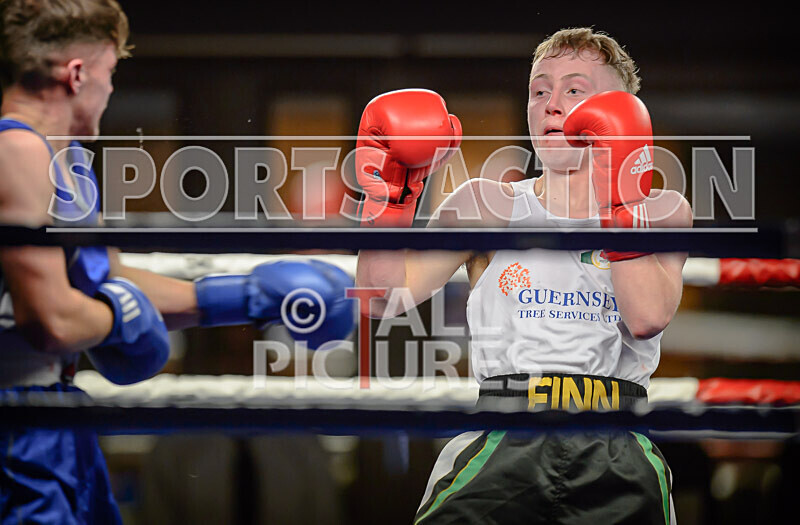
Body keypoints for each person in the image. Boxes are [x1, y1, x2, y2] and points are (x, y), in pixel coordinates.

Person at [0, 1, 355, 522]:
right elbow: (51, 319)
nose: (111, 90)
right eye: (109, 73)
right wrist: (123, 317)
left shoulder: (67, 159)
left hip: (53, 412)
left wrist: (248, 293)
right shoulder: (15, 152)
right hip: (15, 418)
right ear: (77, 74)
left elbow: (108, 276)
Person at [355, 28, 692, 523]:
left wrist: (621, 194)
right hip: (503, 435)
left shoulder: (662, 212)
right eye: (539, 90)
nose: (552, 104)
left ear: (618, 109)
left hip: (616, 447)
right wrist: (391, 200)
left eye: (574, 89)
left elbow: (646, 317)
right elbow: (381, 298)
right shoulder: (485, 205)